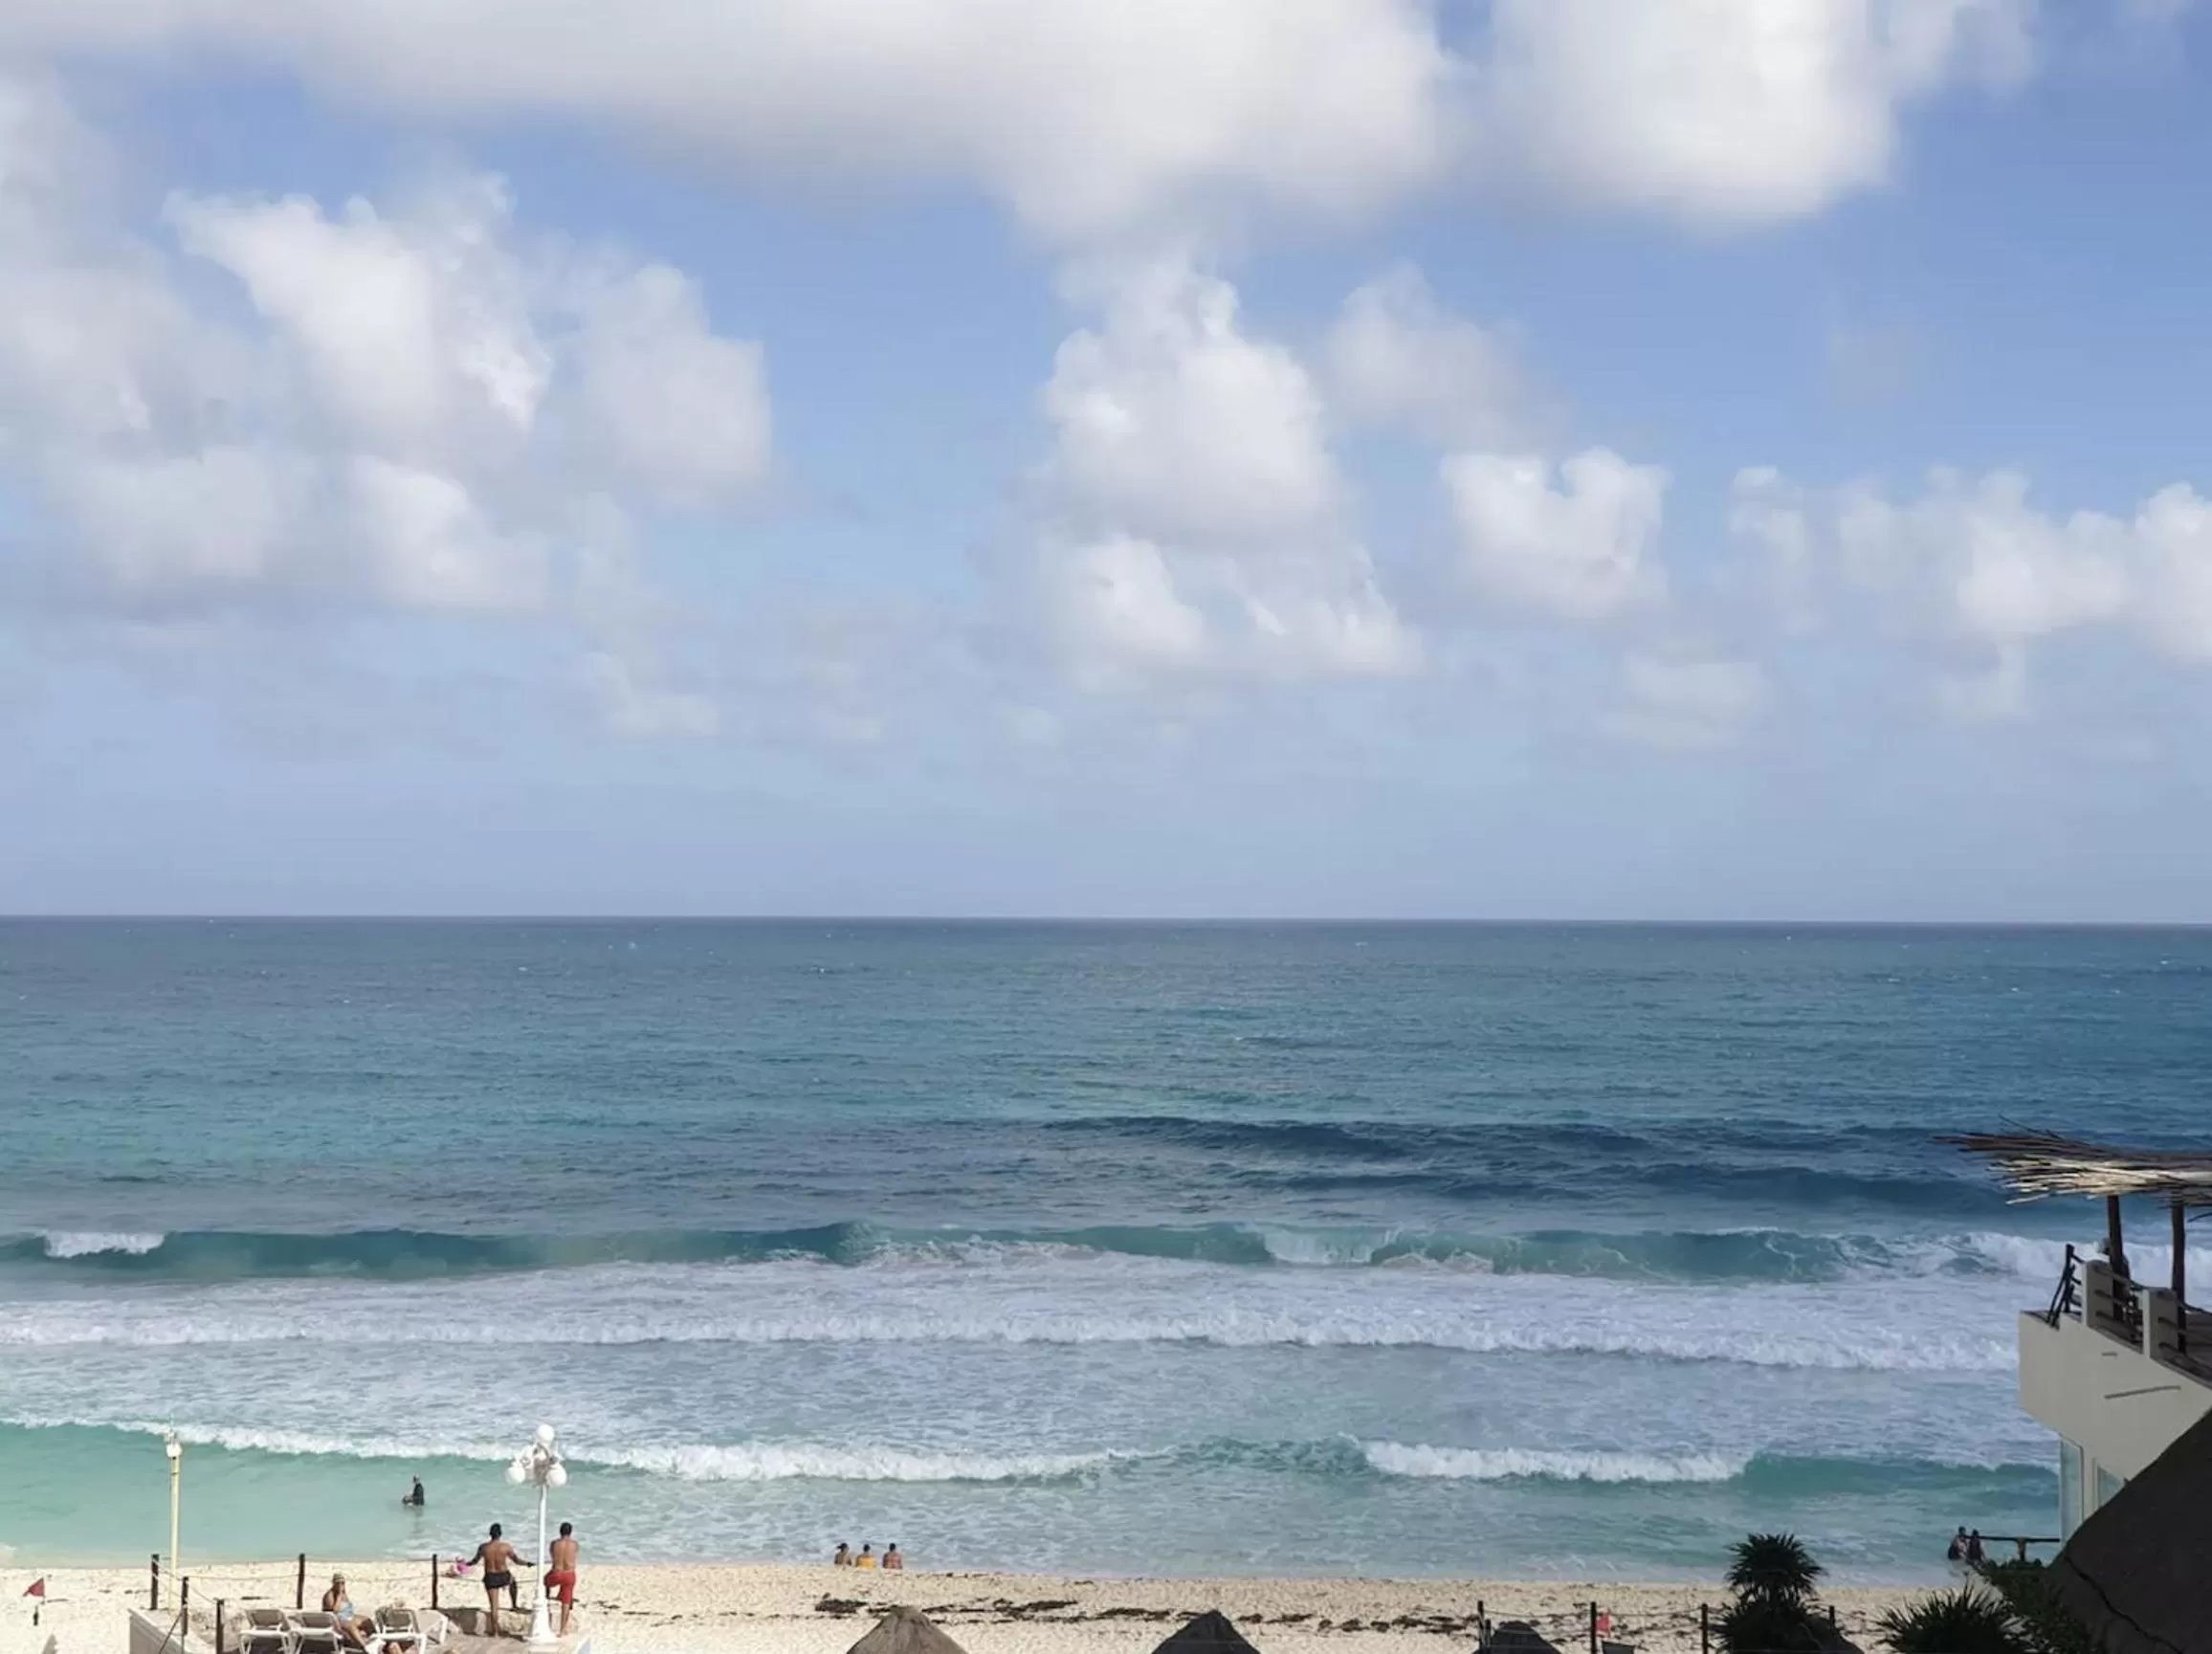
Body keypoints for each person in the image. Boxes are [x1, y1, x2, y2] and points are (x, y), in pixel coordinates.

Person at [470, 1522, 533, 1637]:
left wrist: (466, 1564)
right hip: (503, 1575)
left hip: (490, 1576)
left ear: (490, 1534)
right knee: (513, 1581)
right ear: (500, 1534)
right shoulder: (505, 1547)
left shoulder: (483, 1547)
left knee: (494, 1605)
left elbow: (475, 1561)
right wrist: (527, 1563)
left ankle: (495, 1633)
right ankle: (514, 1604)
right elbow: (516, 1560)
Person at [544, 1521, 581, 1639]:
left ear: (560, 1531)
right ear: (570, 1532)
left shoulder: (554, 1543)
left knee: (545, 1581)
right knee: (566, 1600)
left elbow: (553, 1556)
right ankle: (562, 1629)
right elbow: (574, 1556)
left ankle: (546, 1598)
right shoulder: (575, 1544)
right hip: (569, 1574)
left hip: (557, 1573)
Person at [321, 1575, 378, 1650]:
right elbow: (334, 1611)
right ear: (334, 1584)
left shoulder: (343, 1593)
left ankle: (375, 1640)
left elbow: (348, 1608)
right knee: (351, 1626)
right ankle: (364, 1645)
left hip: (346, 1617)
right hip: (336, 1621)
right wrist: (339, 1596)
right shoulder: (330, 1595)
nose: (341, 1585)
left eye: (343, 1583)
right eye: (338, 1583)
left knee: (366, 1620)